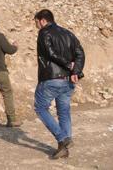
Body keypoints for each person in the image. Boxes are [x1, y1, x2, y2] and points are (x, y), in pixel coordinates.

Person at [33, 9, 85, 160]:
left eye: (36, 22)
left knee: (40, 108)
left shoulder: (44, 33)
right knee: (64, 112)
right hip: (67, 81)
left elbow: (50, 53)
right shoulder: (68, 33)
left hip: (51, 78)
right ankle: (64, 148)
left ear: (42, 20)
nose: (37, 25)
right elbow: (80, 53)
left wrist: (70, 66)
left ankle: (63, 138)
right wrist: (76, 71)